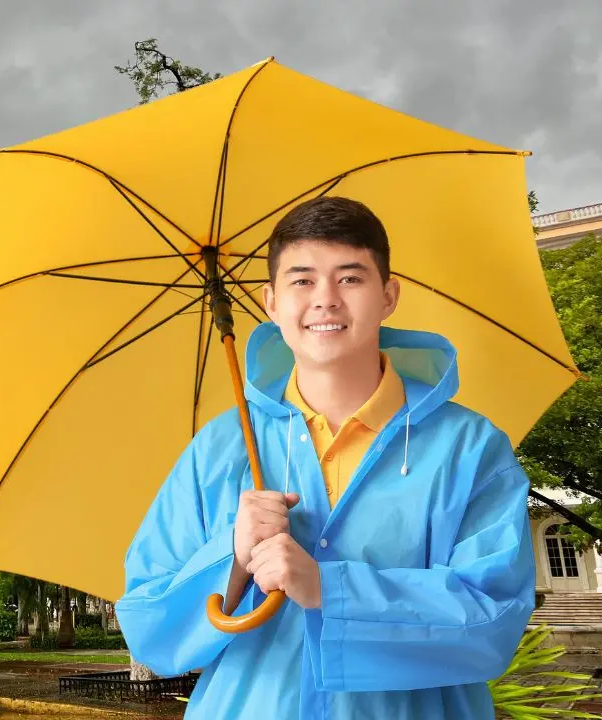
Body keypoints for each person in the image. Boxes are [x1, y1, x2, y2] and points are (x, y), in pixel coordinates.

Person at [114, 197, 535, 719]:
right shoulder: (219, 449)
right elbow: (148, 627)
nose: (325, 300)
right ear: (271, 301)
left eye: (350, 278)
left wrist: (329, 590)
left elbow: (493, 620)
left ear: (388, 295)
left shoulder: (470, 448)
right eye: (302, 280)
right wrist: (233, 556)